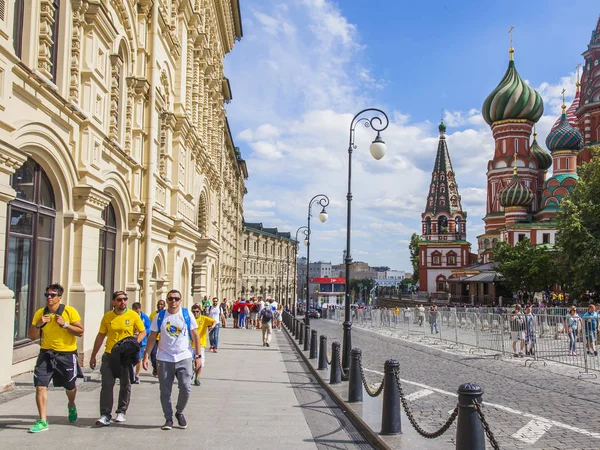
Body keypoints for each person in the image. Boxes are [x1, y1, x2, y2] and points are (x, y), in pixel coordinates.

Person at [27, 283, 84, 433]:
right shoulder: (40, 313)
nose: (49, 298)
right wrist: (38, 325)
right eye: (47, 295)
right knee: (40, 385)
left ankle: (71, 404)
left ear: (59, 297)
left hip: (66, 354)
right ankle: (42, 421)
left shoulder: (69, 311)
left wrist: (65, 324)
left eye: (53, 295)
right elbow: (32, 336)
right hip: (46, 353)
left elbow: (80, 331)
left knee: (70, 386)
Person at [142, 290, 200, 430]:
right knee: (165, 390)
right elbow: (152, 336)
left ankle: (179, 412)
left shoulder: (187, 314)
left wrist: (198, 356)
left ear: (180, 300)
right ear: (167, 300)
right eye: (170, 298)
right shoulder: (160, 316)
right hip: (164, 358)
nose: (173, 301)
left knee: (186, 388)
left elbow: (196, 335)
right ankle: (168, 418)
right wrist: (146, 355)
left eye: (176, 299)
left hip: (184, 356)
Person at [90, 290, 146, 426]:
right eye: (120, 299)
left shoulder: (132, 315)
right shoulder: (108, 317)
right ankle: (105, 414)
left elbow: (143, 331)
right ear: (113, 302)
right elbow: (101, 335)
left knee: (125, 384)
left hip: (125, 356)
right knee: (107, 385)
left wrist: (135, 342)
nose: (123, 302)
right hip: (110, 354)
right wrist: (93, 355)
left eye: (125, 299)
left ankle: (121, 411)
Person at [189, 303, 216, 386]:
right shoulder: (189, 320)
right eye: (193, 312)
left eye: (197, 311)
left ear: (200, 311)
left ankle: (197, 378)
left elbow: (213, 321)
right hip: (190, 344)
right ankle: (192, 372)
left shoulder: (203, 319)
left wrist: (212, 326)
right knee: (189, 362)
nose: (195, 313)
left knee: (200, 363)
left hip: (201, 345)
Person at [132, 302, 152, 383]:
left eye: (138, 312)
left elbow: (149, 328)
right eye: (135, 311)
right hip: (131, 340)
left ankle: (136, 375)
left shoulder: (145, 318)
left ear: (140, 309)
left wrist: (141, 332)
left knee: (139, 358)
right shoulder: (130, 316)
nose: (136, 313)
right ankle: (128, 374)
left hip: (142, 342)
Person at [149, 299, 166, 376]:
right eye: (158, 304)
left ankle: (160, 369)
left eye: (161, 304)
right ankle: (155, 368)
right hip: (154, 338)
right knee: (153, 355)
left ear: (164, 306)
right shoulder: (153, 315)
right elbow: (150, 327)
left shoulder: (166, 315)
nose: (160, 306)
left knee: (161, 355)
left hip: (163, 339)